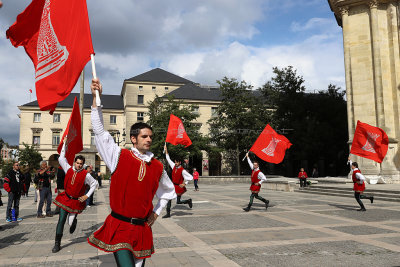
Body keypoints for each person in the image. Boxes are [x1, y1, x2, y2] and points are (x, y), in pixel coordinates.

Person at [87, 79, 176, 267]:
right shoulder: (119, 156)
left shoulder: (158, 166)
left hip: (142, 228)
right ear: (133, 138)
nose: (149, 139)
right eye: (145, 136)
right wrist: (97, 99)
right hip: (119, 226)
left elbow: (169, 192)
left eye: (151, 136)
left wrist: (157, 213)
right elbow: (100, 131)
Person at [52, 138, 98, 253]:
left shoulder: (85, 175)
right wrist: (64, 145)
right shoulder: (68, 169)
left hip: (76, 201)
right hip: (65, 198)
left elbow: (94, 183)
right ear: (74, 162)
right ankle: (57, 243)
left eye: (81, 164)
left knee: (70, 223)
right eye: (77, 163)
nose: (79, 165)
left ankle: (74, 221)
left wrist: (87, 196)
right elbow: (62, 158)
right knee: (61, 220)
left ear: (83, 165)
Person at [163, 144, 193, 219]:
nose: (175, 163)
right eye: (175, 162)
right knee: (169, 199)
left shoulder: (182, 170)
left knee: (178, 202)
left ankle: (188, 201)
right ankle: (168, 213)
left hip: (178, 187)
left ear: (179, 162)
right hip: (172, 186)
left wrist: (184, 183)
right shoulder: (174, 166)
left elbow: (190, 177)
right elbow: (168, 158)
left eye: (176, 162)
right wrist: (166, 150)